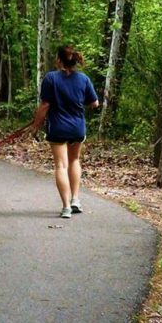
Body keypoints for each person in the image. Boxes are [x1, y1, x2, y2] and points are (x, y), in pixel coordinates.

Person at [25, 45, 99, 219]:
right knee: (74, 160)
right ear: (74, 60)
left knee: (61, 165)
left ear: (59, 60)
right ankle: (75, 200)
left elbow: (45, 105)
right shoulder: (84, 79)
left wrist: (35, 125)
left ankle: (66, 207)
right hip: (77, 127)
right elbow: (95, 103)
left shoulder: (51, 78)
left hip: (58, 128)